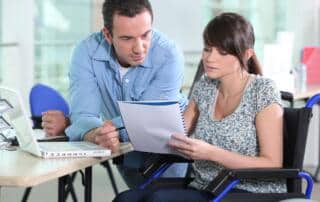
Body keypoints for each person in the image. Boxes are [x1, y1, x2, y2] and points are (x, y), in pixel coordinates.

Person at [113, 12, 286, 202]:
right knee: (125, 199)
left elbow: (272, 162)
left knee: (158, 200)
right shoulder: (205, 87)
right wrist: (140, 128)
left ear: (246, 54)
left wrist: (211, 153)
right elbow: (178, 134)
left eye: (222, 52)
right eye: (207, 49)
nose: (210, 58)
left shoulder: (263, 91)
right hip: (205, 188)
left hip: (248, 191)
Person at [41, 0, 188, 188]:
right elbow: (84, 114)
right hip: (122, 151)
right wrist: (93, 132)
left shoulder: (168, 54)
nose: (139, 48)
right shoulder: (85, 52)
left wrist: (82, 127)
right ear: (108, 35)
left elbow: (147, 121)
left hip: (170, 154)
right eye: (127, 38)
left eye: (145, 35)